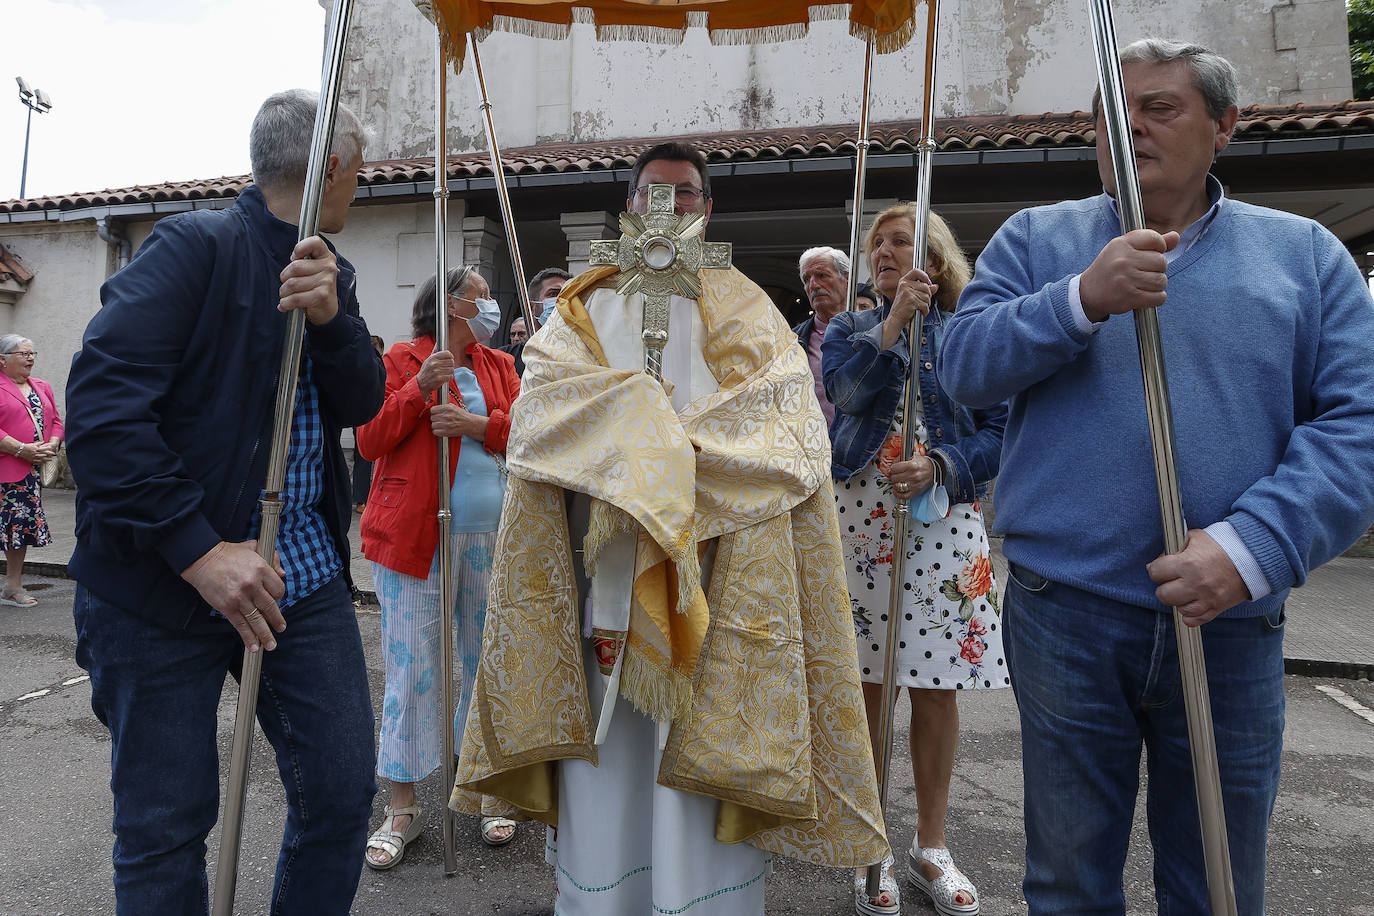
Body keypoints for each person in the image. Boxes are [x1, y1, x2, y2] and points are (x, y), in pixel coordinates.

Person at [940, 39, 1374, 915]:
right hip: (1063, 611)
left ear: (1224, 126)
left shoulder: (1307, 257)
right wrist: (1079, 301)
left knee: (1215, 879)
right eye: (1111, 111)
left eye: (1160, 107)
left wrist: (1256, 547)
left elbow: (1358, 424)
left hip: (1230, 621)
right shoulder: (1037, 240)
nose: (1129, 126)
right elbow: (963, 369)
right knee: (1066, 879)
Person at [451, 141, 888, 915]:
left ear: (709, 208)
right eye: (657, 192)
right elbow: (539, 421)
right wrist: (648, 440)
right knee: (611, 750)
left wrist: (652, 455)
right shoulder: (581, 309)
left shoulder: (750, 307)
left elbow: (792, 439)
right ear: (630, 207)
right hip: (605, 565)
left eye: (686, 194)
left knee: (697, 748)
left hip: (714, 570)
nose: (672, 207)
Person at [65, 90, 384, 915]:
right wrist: (200, 551)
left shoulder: (330, 272)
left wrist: (336, 322)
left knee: (343, 796)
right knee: (165, 828)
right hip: (162, 587)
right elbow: (99, 416)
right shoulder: (194, 247)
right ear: (334, 170)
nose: (363, 185)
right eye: (362, 171)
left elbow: (361, 404)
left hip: (300, 580)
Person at [822, 204, 1007, 916]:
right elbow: (843, 395)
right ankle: (870, 843)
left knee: (936, 687)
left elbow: (999, 431)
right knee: (868, 685)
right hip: (865, 519)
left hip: (945, 516)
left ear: (934, 256)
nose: (885, 252)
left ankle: (932, 845)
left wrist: (943, 464)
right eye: (878, 244)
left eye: (901, 241)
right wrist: (892, 325)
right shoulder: (850, 328)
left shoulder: (970, 331)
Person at [357, 265, 521, 868]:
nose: (490, 306)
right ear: (451, 305)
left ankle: (487, 786)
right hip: (415, 536)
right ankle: (402, 807)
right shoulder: (403, 357)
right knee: (412, 666)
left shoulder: (500, 366)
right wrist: (419, 388)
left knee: (487, 661)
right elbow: (371, 437)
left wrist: (477, 425)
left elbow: (526, 432)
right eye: (480, 296)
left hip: (491, 532)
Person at [0, 335, 62, 607]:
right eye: (22, 353)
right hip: (6, 463)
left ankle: (13, 586)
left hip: (26, 474)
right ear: (3, 360)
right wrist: (19, 448)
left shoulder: (42, 386)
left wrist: (53, 444)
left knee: (18, 527)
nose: (30, 358)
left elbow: (57, 422)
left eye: (32, 353)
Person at [795, 246, 850, 427]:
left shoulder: (874, 331)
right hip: (808, 446)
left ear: (847, 279)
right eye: (806, 279)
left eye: (822, 276)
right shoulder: (791, 341)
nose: (813, 285)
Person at [502, 266, 571, 374]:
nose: (563, 301)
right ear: (532, 307)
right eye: (553, 294)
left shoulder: (583, 355)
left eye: (567, 294)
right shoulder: (504, 359)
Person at [351, 334, 386, 515]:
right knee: (363, 459)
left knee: (365, 459)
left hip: (372, 415)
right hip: (365, 417)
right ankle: (361, 499)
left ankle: (364, 498)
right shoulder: (368, 364)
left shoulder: (377, 364)